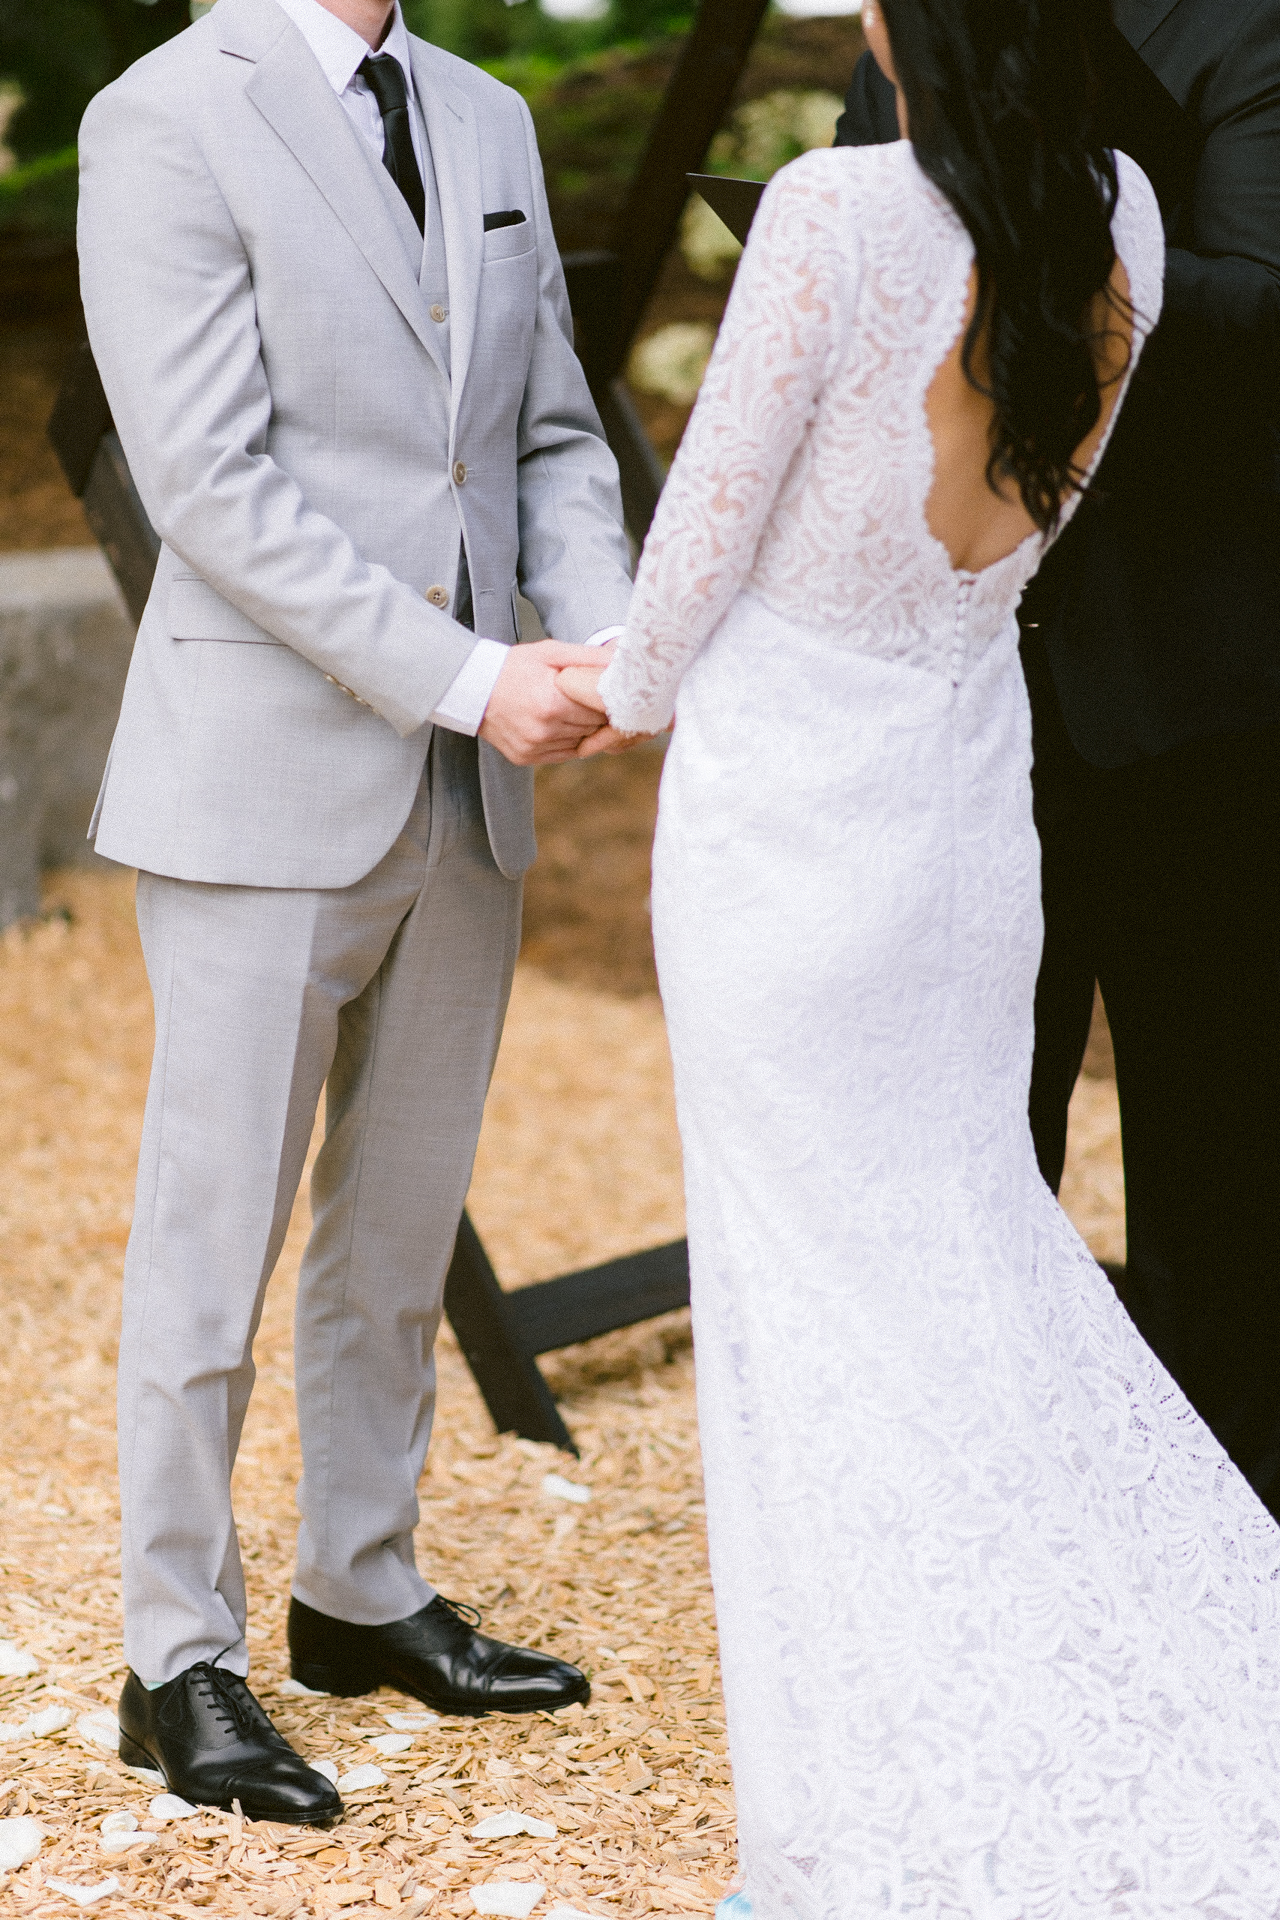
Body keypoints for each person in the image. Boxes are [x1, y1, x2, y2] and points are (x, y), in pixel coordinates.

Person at [563, 0, 1280, 1910]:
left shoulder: (825, 207)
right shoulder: (1113, 206)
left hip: (804, 822)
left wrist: (590, 684)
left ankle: (878, 1753)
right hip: (971, 791)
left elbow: (707, 534)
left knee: (810, 1288)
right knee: (971, 1236)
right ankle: (1094, 1633)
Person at [76, 0, 631, 1824]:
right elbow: (211, 487)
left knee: (395, 1226)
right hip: (263, 775)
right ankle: (177, 1659)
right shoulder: (160, 116)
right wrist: (475, 676)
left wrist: (600, 636)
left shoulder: (479, 115)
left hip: (469, 787)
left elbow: (548, 428)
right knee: (212, 1234)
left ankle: (361, 1590)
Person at [840, 0, 1280, 1513]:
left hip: (1188, 701)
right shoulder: (921, 28)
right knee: (963, 1132)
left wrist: (1037, 233)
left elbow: (1259, 317)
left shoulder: (1245, 35)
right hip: (962, 699)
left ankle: (1232, 1543)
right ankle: (974, 1516)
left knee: (1217, 1155)